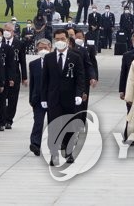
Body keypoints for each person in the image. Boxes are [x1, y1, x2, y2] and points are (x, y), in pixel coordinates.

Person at [40, 27, 86, 166]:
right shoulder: (48, 58)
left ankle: (68, 151)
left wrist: (79, 94)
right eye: (57, 39)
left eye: (62, 39)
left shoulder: (75, 57)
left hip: (70, 98)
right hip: (53, 98)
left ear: (67, 40)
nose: (60, 41)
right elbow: (45, 80)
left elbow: (80, 78)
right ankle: (54, 154)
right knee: (54, 126)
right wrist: (43, 98)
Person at [1, 22, 27, 129]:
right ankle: (1, 120)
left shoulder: (19, 44)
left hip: (15, 74)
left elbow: (23, 61)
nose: (7, 32)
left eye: (9, 30)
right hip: (2, 74)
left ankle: (9, 120)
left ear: (13, 32)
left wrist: (24, 77)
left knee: (12, 99)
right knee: (2, 99)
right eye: (5, 30)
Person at [27, 37, 50, 156]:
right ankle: (35, 144)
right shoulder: (33, 64)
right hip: (38, 99)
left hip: (52, 98)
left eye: (45, 48)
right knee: (38, 122)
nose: (43, 50)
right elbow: (33, 83)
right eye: (40, 48)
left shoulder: (54, 62)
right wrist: (31, 98)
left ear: (50, 49)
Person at [119, 32, 134, 142]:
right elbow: (123, 73)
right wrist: (121, 90)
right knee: (130, 112)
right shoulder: (126, 55)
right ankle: (128, 135)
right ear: (132, 41)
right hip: (130, 88)